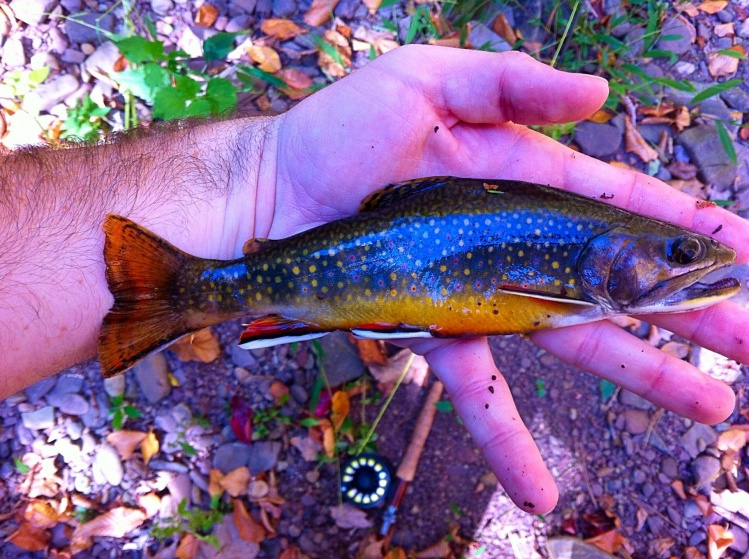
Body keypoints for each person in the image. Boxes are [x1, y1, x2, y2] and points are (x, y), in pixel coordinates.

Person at [1, 45, 746, 514]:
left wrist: (250, 176)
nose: (692, 265)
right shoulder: (573, 275)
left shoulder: (579, 259)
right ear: (614, 248)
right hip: (379, 263)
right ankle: (190, 289)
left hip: (374, 266)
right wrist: (255, 175)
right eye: (677, 255)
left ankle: (191, 289)